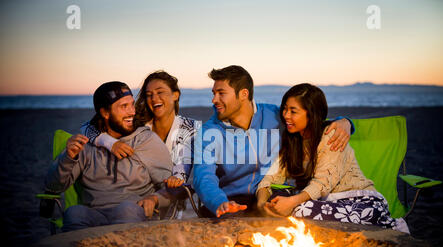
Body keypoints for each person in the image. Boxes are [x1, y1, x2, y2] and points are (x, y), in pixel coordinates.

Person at [193, 65, 354, 218]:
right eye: (213, 93)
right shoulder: (208, 132)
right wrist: (220, 202)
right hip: (232, 201)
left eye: (221, 93)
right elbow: (203, 177)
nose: (214, 99)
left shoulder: (275, 115)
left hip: (272, 194)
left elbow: (311, 121)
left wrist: (345, 122)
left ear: (243, 94)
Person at [256, 83, 409, 233]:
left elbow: (322, 184)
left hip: (363, 203)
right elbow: (270, 177)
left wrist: (291, 203)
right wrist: (262, 204)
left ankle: (390, 225)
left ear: (312, 114)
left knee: (301, 210)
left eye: (293, 111)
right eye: (284, 109)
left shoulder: (331, 136)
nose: (286, 115)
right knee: (277, 200)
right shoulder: (292, 142)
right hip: (328, 204)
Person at [45, 81, 173, 232]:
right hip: (93, 213)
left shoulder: (146, 141)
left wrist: (154, 199)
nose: (132, 112)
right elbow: (53, 187)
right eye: (124, 106)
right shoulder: (85, 145)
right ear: (105, 113)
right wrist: (68, 158)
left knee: (126, 209)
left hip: (133, 212)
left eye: (132, 104)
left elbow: (171, 187)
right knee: (74, 213)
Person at [81, 71, 201, 219]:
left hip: (168, 199)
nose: (154, 98)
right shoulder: (137, 122)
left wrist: (175, 179)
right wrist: (110, 143)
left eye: (160, 92)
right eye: (149, 94)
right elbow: (87, 127)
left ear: (175, 95)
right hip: (136, 202)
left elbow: (181, 171)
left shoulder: (191, 128)